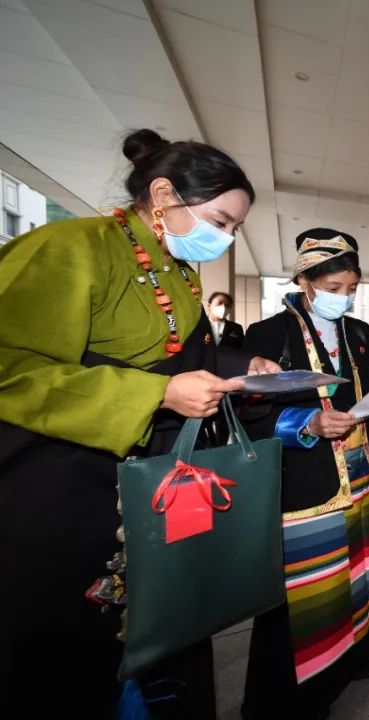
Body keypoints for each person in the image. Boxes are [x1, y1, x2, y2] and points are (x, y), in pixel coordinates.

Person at [0, 128, 275, 719]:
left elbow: (178, 355)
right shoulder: (69, 247)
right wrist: (158, 395)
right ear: (163, 195)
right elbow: (11, 369)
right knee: (72, 657)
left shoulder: (176, 270)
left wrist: (240, 367)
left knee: (172, 634)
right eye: (220, 221)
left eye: (235, 228)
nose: (226, 238)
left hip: (161, 483)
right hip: (71, 487)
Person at [240, 228, 369, 719]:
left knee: (360, 570)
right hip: (307, 481)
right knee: (312, 587)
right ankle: (298, 695)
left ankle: (354, 654)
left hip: (360, 473)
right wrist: (306, 422)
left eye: (351, 288)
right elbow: (248, 413)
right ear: (304, 282)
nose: (343, 297)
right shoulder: (268, 335)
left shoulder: (360, 332)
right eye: (333, 289)